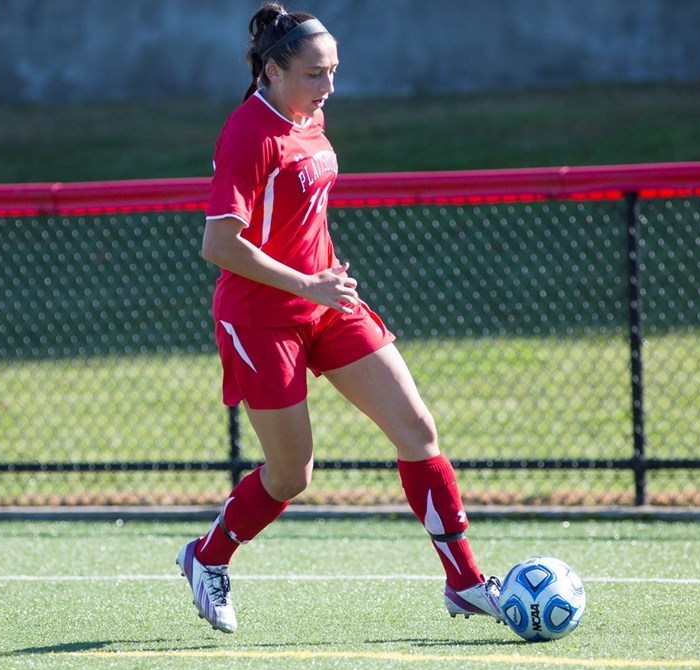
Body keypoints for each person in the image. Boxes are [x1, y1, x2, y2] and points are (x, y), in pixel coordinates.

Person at [176, 2, 503, 634]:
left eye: (334, 72)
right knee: (292, 474)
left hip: (327, 304)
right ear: (272, 70)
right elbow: (218, 245)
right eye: (314, 74)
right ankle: (206, 557)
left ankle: (463, 582)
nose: (329, 87)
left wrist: (320, 286)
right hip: (262, 318)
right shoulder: (250, 131)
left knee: (417, 429)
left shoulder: (310, 115)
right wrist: (306, 283)